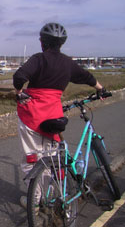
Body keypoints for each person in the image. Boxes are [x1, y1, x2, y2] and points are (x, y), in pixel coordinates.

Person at [12, 22, 105, 208]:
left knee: (33, 156)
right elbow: (87, 77)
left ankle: (35, 200)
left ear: (42, 42)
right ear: (61, 43)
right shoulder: (67, 63)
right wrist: (100, 89)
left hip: (32, 115)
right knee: (53, 154)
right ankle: (55, 191)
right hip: (53, 115)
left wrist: (19, 92)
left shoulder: (38, 59)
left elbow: (19, 77)